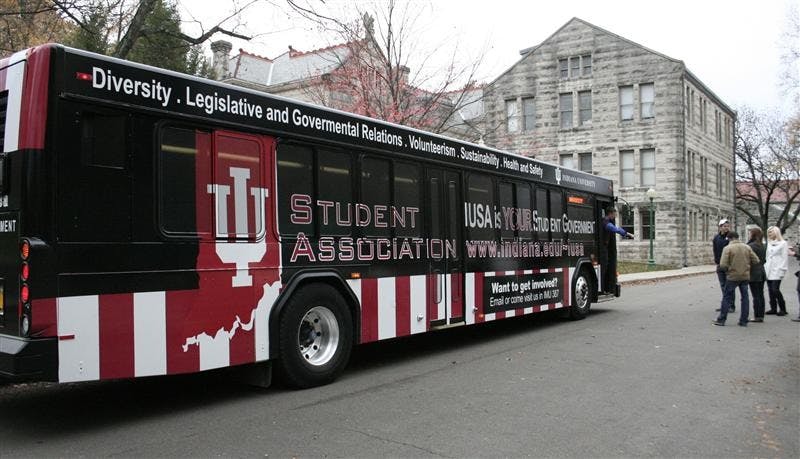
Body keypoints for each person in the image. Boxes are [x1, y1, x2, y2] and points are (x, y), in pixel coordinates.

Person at [713, 231, 760, 327]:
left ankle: (722, 319)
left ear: (729, 238)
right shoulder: (747, 247)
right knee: (745, 298)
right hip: (745, 276)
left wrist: (728, 270)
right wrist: (747, 266)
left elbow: (723, 264)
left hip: (732, 276)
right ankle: (743, 320)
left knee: (727, 297)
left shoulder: (728, 248)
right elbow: (756, 260)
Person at [599, 207, 634, 294]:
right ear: (611, 213)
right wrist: (627, 233)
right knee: (604, 267)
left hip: (604, 248)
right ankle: (603, 288)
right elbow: (614, 229)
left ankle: (604, 288)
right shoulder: (605, 221)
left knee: (605, 266)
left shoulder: (606, 221)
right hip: (603, 248)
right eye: (615, 214)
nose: (615, 216)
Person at [764, 226, 788, 316]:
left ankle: (783, 308)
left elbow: (784, 258)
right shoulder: (769, 243)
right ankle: (773, 308)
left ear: (776, 232)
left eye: (771, 232)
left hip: (778, 268)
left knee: (775, 289)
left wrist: (782, 270)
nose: (769, 234)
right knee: (770, 289)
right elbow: (767, 256)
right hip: (769, 268)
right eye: (768, 232)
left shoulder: (783, 243)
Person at [713, 219, 734, 312]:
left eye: (727, 226)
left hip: (729, 265)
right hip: (720, 264)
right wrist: (717, 261)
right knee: (723, 285)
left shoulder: (731, 237)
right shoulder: (716, 238)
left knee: (729, 286)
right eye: (724, 226)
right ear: (720, 227)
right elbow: (715, 250)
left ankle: (731, 305)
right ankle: (725, 304)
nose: (726, 228)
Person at [746, 227, 767, 322]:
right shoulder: (763, 245)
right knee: (760, 294)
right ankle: (761, 315)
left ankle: (757, 315)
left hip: (754, 272)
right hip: (761, 271)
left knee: (756, 295)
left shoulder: (751, 246)